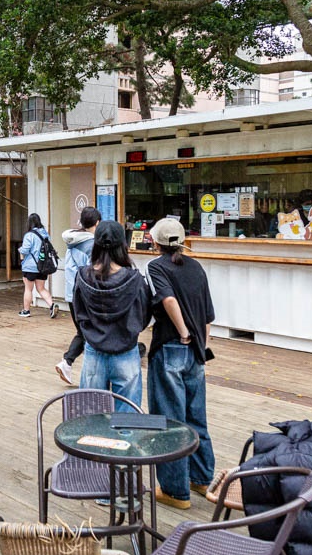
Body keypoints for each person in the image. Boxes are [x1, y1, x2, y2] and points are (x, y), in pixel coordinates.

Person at [145, 217, 216, 510]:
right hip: (198, 351)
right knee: (196, 416)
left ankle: (175, 490)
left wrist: (183, 333)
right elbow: (208, 314)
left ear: (156, 242)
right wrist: (201, 343)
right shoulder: (196, 266)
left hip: (172, 347)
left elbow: (168, 301)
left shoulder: (157, 267)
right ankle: (200, 478)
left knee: (171, 419)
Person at [72, 221, 151, 411]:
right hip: (126, 350)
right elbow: (144, 315)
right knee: (127, 420)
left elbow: (77, 312)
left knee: (91, 418)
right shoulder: (135, 280)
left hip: (94, 349)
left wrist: (89, 332)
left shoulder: (83, 276)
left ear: (96, 244)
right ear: (123, 246)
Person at [54, 206, 101, 384]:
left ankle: (67, 362)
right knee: (90, 332)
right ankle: (76, 366)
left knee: (83, 331)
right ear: (97, 223)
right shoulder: (91, 246)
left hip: (72, 295)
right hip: (86, 296)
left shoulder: (73, 241)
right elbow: (94, 274)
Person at [18, 213, 57, 318]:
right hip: (42, 265)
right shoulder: (45, 234)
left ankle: (26, 311)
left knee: (28, 289)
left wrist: (19, 250)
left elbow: (25, 250)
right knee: (41, 288)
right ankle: (52, 305)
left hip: (30, 266)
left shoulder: (29, 235)